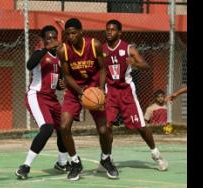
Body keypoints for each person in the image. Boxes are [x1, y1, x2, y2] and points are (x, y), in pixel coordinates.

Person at [57, 18, 119, 181]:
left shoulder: (94, 45)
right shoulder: (63, 50)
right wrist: (79, 91)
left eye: (73, 33)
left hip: (93, 88)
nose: (70, 36)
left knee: (104, 129)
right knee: (63, 126)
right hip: (74, 90)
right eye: (67, 34)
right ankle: (75, 162)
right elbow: (67, 75)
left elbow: (102, 69)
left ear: (81, 32)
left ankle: (106, 159)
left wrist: (100, 90)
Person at [102, 19, 168, 171]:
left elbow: (146, 65)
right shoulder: (102, 49)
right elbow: (101, 71)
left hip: (126, 93)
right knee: (106, 126)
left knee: (141, 126)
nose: (109, 32)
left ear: (119, 32)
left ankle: (156, 154)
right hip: (110, 91)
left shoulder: (129, 49)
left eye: (112, 30)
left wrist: (134, 63)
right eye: (107, 29)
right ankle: (107, 158)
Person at [15, 25, 70, 180]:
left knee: (64, 128)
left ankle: (62, 163)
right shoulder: (40, 53)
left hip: (51, 98)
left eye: (54, 37)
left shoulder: (59, 58)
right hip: (37, 96)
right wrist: (46, 48)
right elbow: (29, 65)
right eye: (48, 38)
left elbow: (57, 81)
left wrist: (61, 84)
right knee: (47, 129)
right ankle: (25, 166)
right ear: (43, 40)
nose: (52, 40)